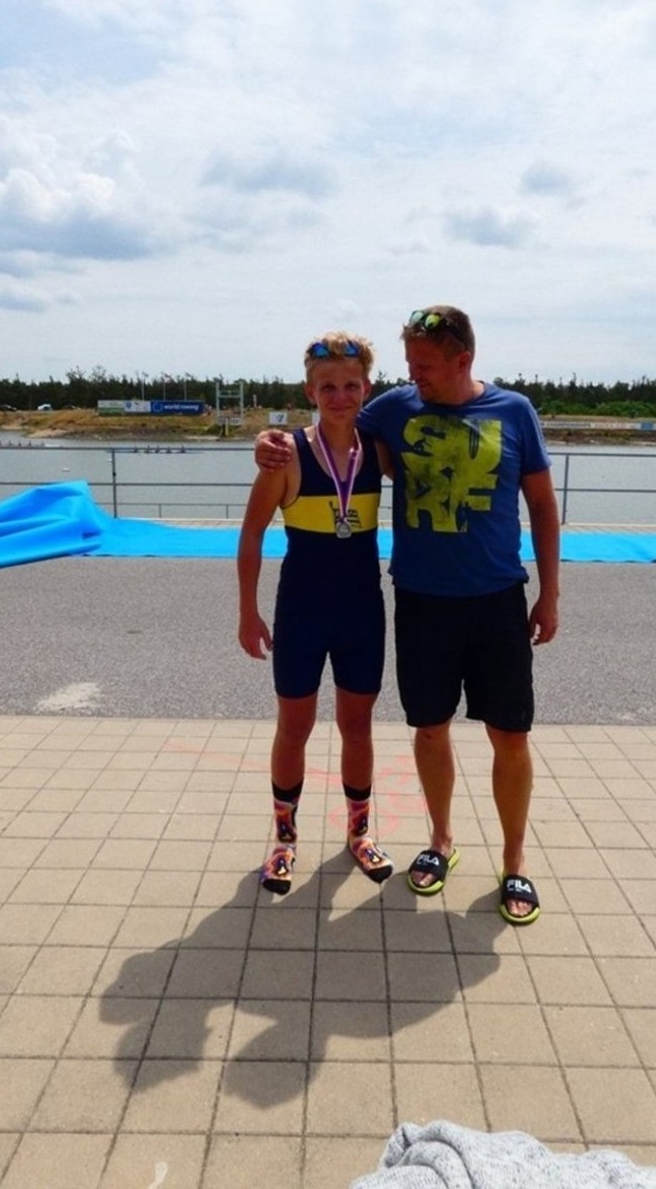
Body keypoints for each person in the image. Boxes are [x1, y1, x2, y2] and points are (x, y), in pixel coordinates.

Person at [256, 305, 560, 924]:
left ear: (463, 360)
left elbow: (542, 506)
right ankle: (439, 841)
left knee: (510, 735)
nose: (412, 376)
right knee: (429, 729)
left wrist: (550, 593)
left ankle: (515, 861)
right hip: (421, 601)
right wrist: (266, 440)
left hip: (497, 597)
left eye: (423, 366)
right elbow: (328, 421)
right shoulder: (395, 407)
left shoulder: (514, 411)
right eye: (407, 365)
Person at [238, 332, 394, 895]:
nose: (339, 396)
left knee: (358, 727)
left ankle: (359, 833)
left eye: (350, 385)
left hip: (362, 614)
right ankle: (284, 840)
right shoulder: (286, 455)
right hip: (301, 613)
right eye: (327, 387)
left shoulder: (380, 451)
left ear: (367, 389)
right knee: (294, 728)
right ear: (310, 391)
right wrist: (248, 612)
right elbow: (251, 533)